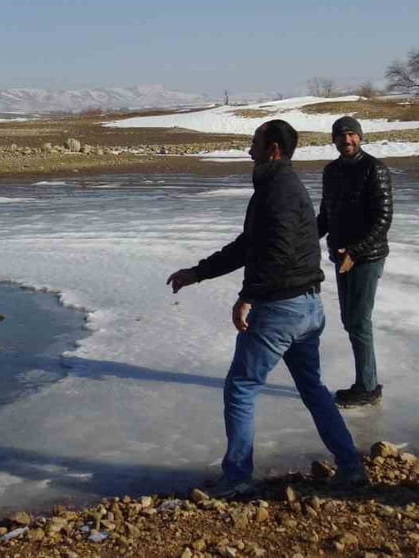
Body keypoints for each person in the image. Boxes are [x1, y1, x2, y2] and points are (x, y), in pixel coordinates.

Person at [167, 119, 366, 497]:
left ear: (273, 149)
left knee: (241, 388)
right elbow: (249, 245)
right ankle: (351, 466)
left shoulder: (279, 190)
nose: (249, 150)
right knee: (312, 388)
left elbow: (278, 251)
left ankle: (237, 478)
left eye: (254, 142)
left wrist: (249, 296)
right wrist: (198, 273)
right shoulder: (281, 187)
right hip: (308, 307)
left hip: (282, 308)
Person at [317, 116, 393, 408]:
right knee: (351, 320)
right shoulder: (331, 171)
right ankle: (366, 382)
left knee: (359, 321)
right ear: (333, 140)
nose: (346, 140)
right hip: (340, 256)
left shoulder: (374, 169)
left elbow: (383, 219)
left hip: (366, 257)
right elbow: (326, 217)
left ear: (360, 138)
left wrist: (356, 251)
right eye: (340, 136)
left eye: (351, 135)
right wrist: (299, 241)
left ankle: (368, 386)